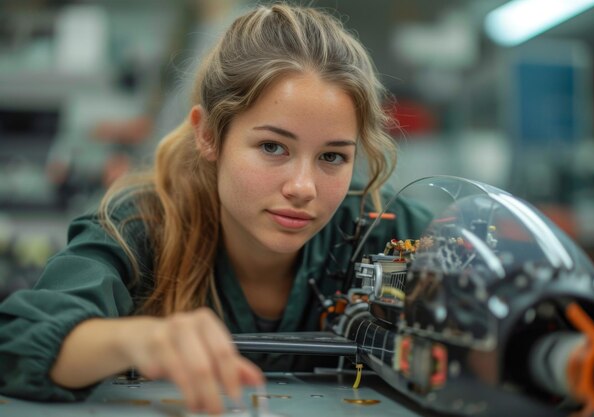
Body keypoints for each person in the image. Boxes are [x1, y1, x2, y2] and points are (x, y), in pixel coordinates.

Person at [0, 3, 429, 415]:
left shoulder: (382, 225)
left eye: (332, 157)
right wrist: (141, 340)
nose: (303, 188)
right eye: (272, 147)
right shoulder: (138, 225)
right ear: (208, 135)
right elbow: (19, 342)